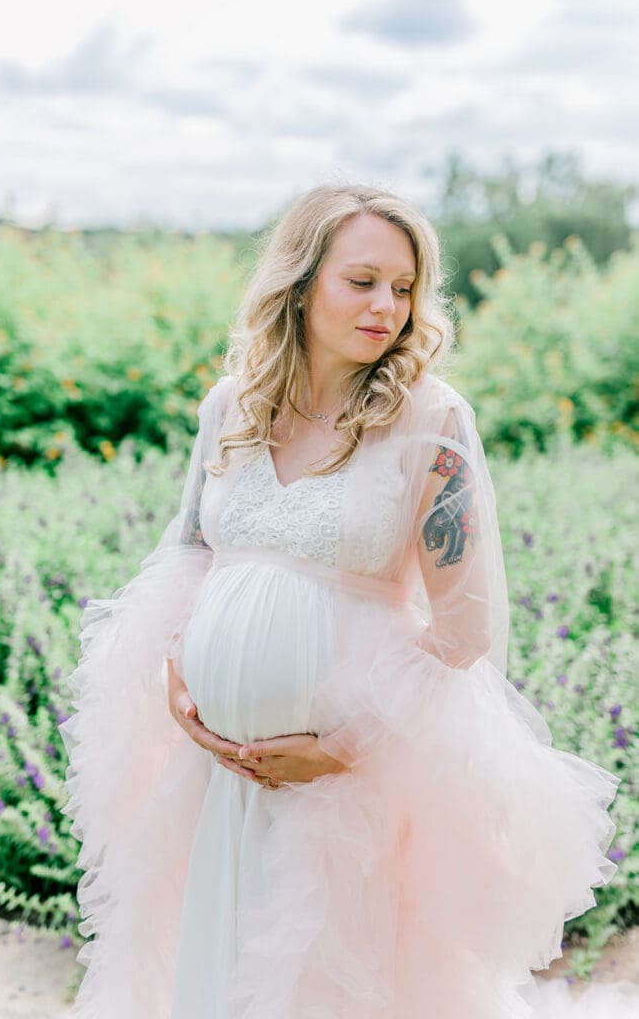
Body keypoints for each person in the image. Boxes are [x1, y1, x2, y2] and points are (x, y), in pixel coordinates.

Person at [59, 185, 636, 1018]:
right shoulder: (233, 407)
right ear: (299, 284)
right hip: (217, 773)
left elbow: (465, 626)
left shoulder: (429, 420)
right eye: (361, 280)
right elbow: (189, 550)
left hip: (349, 787)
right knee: (216, 968)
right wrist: (175, 672)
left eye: (403, 288)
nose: (386, 308)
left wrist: (340, 747)